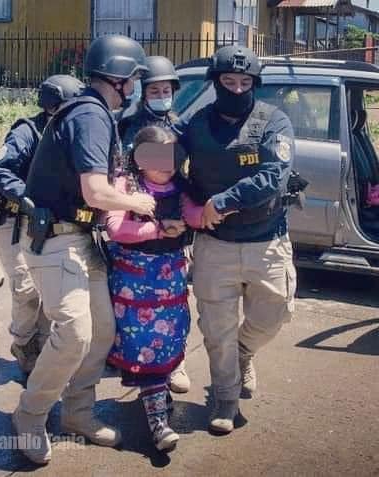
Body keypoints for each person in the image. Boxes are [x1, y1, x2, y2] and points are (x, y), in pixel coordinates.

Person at [11, 34, 156, 465]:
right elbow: (95, 192)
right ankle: (30, 416)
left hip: (81, 239)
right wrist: (137, 202)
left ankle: (78, 413)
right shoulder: (90, 115)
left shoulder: (92, 114)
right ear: (121, 78)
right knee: (73, 334)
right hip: (58, 241)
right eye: (134, 80)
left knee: (101, 332)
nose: (136, 89)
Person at [178, 45, 296, 434]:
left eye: (245, 82)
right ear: (215, 82)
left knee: (274, 314)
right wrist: (189, 204)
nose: (236, 88)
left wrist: (220, 202)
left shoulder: (273, 121)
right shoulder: (195, 123)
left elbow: (273, 177)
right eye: (228, 82)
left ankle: (245, 352)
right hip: (214, 245)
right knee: (217, 328)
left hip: (267, 240)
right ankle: (225, 398)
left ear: (255, 84)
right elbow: (163, 163)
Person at [105, 126, 202, 451]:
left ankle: (157, 398)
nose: (167, 164)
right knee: (144, 349)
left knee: (169, 344)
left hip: (170, 288)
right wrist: (158, 230)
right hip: (134, 291)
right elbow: (116, 228)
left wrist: (226, 205)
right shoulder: (126, 185)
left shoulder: (181, 188)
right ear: (139, 157)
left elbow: (195, 216)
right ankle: (158, 424)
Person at [0, 74, 85, 374]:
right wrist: (26, 197)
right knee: (26, 287)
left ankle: (42, 345)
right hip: (13, 218)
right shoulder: (27, 132)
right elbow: (0, 171)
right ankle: (24, 342)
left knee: (50, 286)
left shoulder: (73, 132)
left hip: (50, 221)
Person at [118, 56, 191, 394]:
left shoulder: (179, 124)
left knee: (174, 301)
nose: (161, 94)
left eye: (166, 89)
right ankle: (132, 359)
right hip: (136, 214)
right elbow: (120, 166)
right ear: (143, 92)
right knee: (131, 303)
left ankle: (175, 363)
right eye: (155, 89)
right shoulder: (128, 123)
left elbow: (183, 169)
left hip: (172, 213)